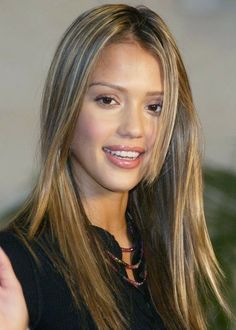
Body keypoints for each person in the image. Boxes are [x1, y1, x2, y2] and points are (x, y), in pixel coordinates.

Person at [0, 4, 230, 330]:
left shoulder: (165, 257)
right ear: (66, 107)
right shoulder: (17, 264)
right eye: (108, 100)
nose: (134, 128)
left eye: (154, 106)